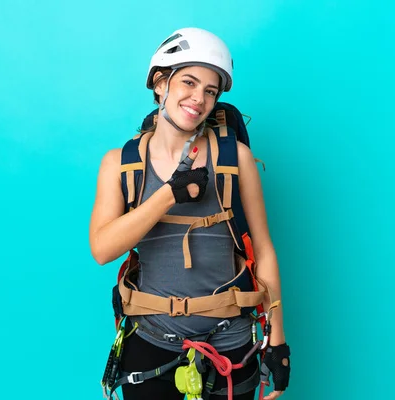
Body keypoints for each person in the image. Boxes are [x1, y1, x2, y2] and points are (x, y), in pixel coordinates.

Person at [90, 27, 290, 400]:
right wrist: (168, 195)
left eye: (210, 91)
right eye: (189, 82)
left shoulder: (236, 161)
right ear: (160, 83)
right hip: (149, 342)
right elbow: (102, 249)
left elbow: (263, 250)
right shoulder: (119, 164)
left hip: (229, 345)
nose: (199, 98)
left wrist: (277, 345)